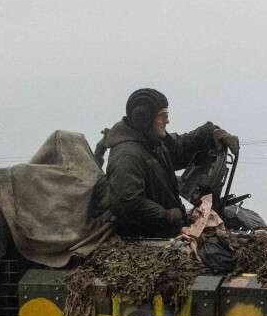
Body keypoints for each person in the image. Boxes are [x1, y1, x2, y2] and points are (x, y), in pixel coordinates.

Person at [90, 89, 240, 248]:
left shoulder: (151, 142)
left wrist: (211, 132)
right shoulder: (128, 156)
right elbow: (126, 202)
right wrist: (167, 215)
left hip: (164, 233)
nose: (167, 121)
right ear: (145, 119)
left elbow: (180, 146)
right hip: (145, 240)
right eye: (162, 116)